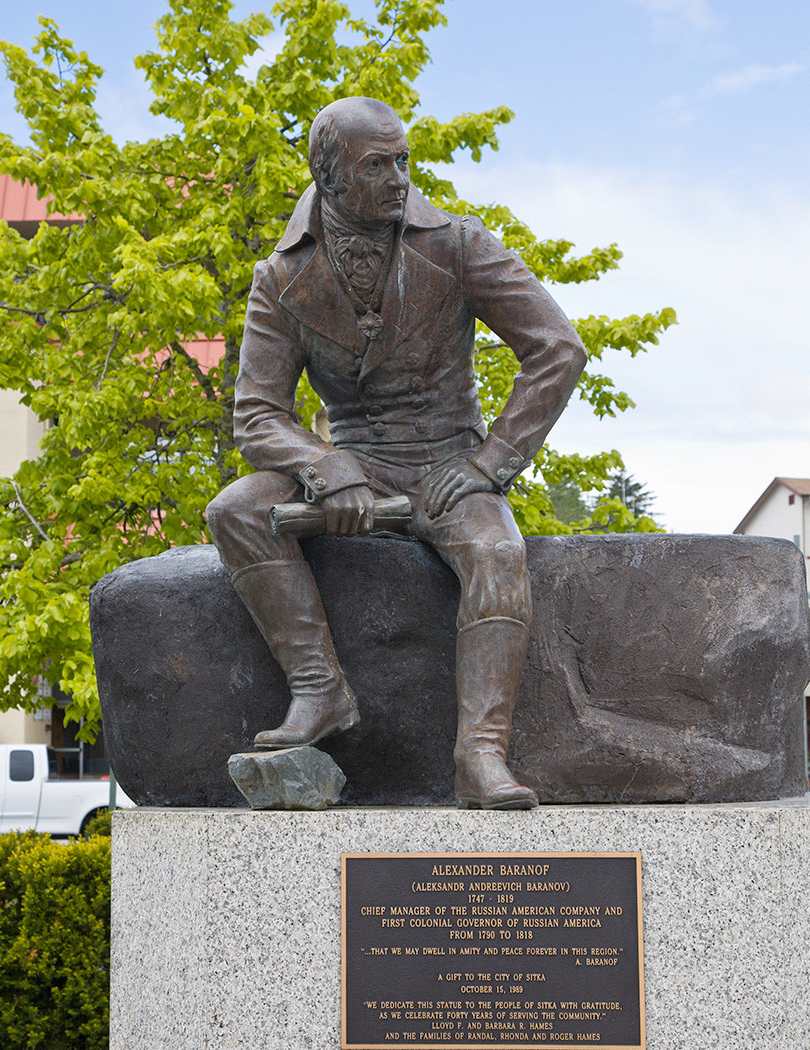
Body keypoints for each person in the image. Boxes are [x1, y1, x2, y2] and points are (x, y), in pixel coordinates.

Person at [206, 97, 587, 809]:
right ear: (329, 176)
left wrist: (488, 463)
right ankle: (320, 690)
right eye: (377, 165)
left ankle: (479, 755)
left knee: (498, 555)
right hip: (352, 462)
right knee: (235, 509)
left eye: (403, 161)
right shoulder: (280, 277)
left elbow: (558, 350)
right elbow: (257, 412)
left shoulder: (459, 244)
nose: (398, 178)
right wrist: (325, 467)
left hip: (450, 465)